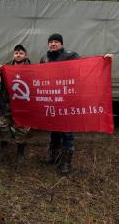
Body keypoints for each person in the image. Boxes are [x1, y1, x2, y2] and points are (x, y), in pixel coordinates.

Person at [40, 33, 80, 174]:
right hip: (52, 99)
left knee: (67, 130)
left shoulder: (70, 55)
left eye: (56, 41)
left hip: (67, 99)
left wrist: (104, 59)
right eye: (50, 41)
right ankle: (53, 155)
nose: (53, 44)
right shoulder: (44, 58)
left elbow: (84, 68)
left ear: (61, 44)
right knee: (54, 129)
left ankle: (66, 162)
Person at [0, 44, 31, 164]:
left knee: (22, 130)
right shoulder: (5, 67)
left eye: (21, 53)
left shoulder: (32, 68)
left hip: (23, 105)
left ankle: (20, 153)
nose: (18, 55)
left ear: (25, 55)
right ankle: (4, 150)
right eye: (16, 52)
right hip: (6, 104)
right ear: (13, 55)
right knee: (3, 127)